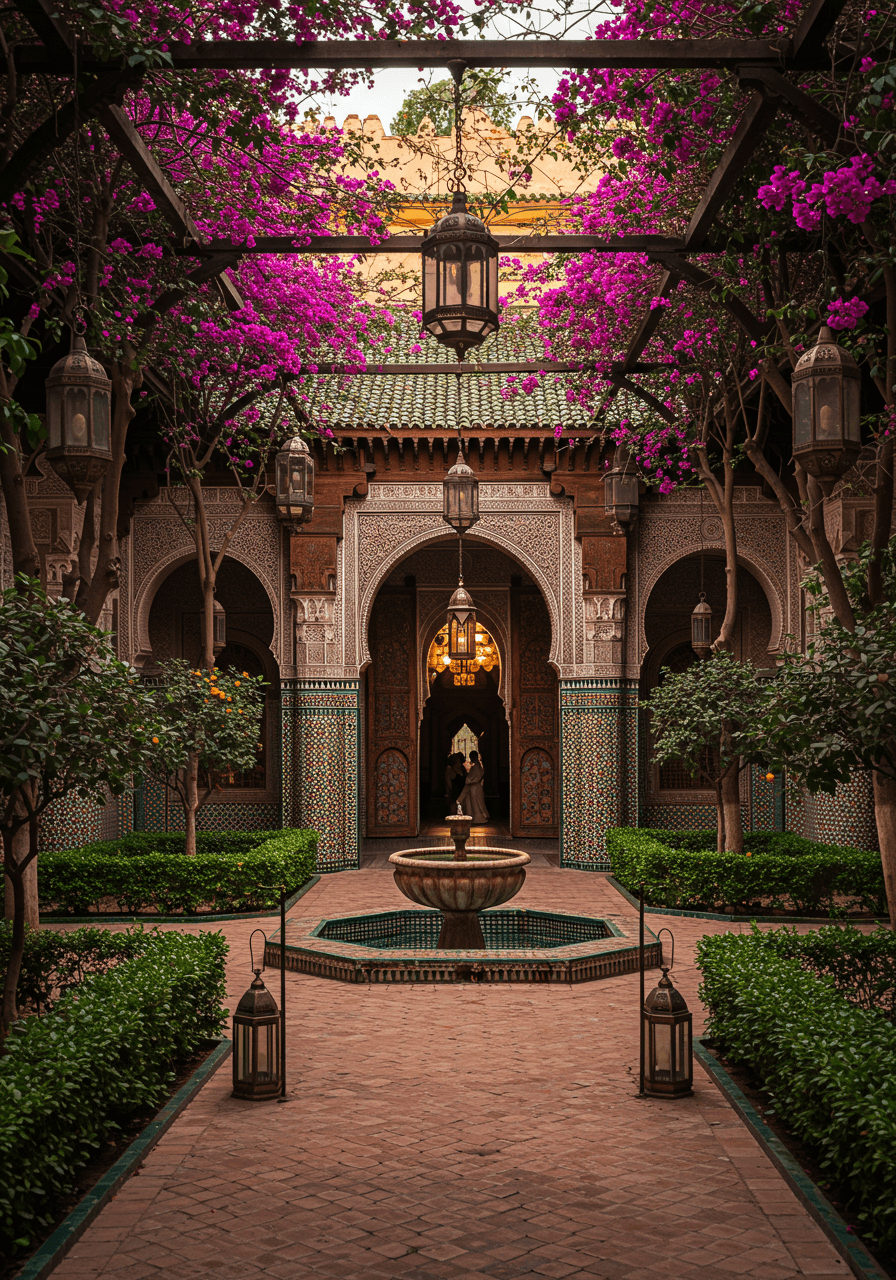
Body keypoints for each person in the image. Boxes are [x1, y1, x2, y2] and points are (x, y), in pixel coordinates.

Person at [457, 750, 489, 824]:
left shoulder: (476, 767)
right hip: (475, 788)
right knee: (476, 804)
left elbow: (469, 779)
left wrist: (467, 779)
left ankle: (479, 818)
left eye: (472, 757)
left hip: (474, 788)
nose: (471, 758)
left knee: (476, 804)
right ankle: (476, 817)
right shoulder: (476, 767)